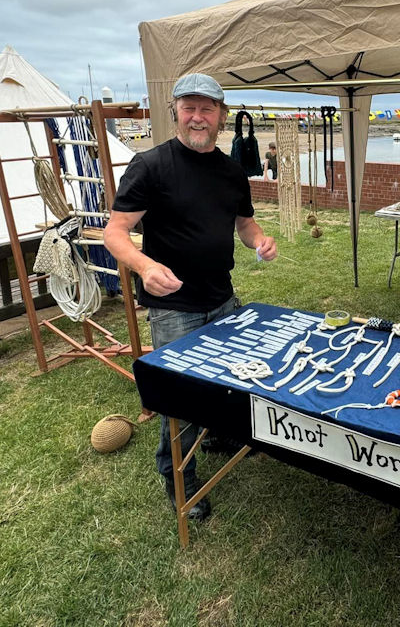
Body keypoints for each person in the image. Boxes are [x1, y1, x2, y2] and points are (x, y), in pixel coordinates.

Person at [104, 73, 277, 521]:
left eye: (207, 109)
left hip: (222, 298)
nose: (198, 117)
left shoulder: (232, 171)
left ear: (221, 116)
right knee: (178, 398)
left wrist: (260, 241)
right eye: (189, 107)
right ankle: (178, 475)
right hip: (173, 309)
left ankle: (220, 435)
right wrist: (144, 266)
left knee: (229, 379)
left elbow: (244, 225)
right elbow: (116, 232)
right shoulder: (151, 165)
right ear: (176, 113)